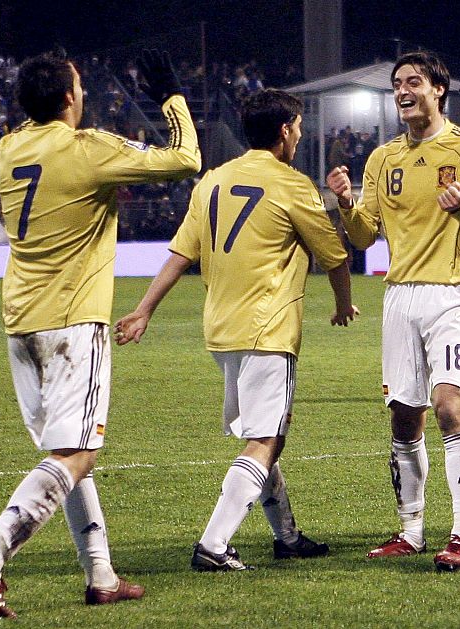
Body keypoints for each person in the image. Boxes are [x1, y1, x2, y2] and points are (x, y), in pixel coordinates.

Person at [0, 48, 200, 619]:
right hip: (72, 321)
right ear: (69, 97)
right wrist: (171, 95)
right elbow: (185, 159)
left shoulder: (5, 151)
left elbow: (26, 135)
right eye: (79, 86)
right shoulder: (88, 150)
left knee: (63, 452)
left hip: (20, 321)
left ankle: (101, 574)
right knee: (78, 453)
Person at [115, 88, 357, 572]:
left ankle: (286, 536)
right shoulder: (292, 185)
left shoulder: (212, 181)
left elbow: (181, 253)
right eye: (300, 126)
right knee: (264, 440)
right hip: (268, 329)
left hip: (221, 328)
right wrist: (343, 304)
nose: (302, 133)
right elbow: (334, 255)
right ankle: (214, 544)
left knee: (270, 434)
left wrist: (143, 309)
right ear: (285, 130)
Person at [326, 51, 460, 571]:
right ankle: (411, 530)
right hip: (400, 294)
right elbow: (364, 235)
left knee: (450, 408)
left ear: (439, 90)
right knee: (405, 418)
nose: (403, 91)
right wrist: (345, 203)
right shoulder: (382, 159)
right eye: (397, 84)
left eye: (414, 82)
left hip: (454, 291)